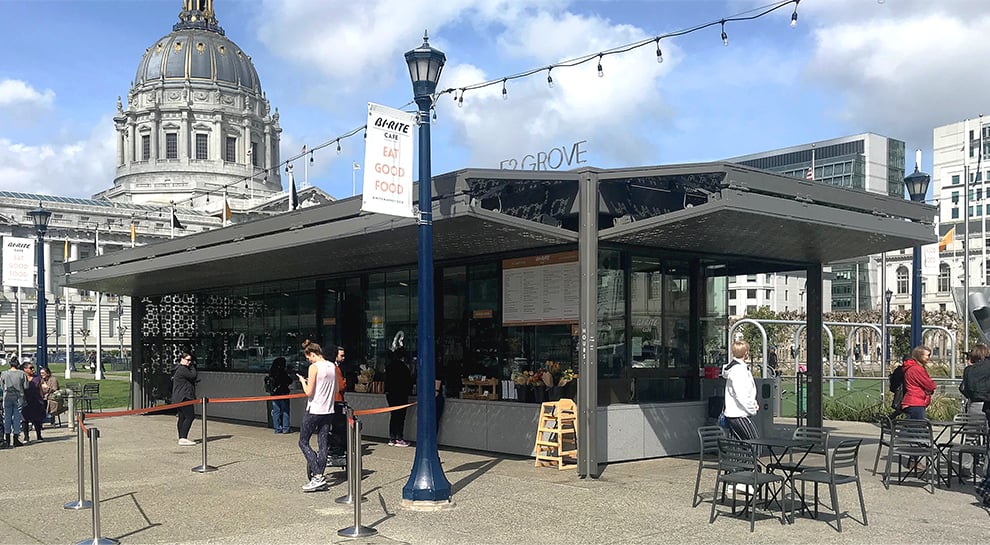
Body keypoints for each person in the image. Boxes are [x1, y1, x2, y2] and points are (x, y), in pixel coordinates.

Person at [297, 340, 338, 492]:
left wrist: (303, 381)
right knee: (323, 443)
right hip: (328, 409)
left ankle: (317, 474)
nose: (309, 360)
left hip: (314, 409)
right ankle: (319, 475)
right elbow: (336, 389)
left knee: (303, 442)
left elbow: (308, 392)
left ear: (312, 354)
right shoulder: (332, 366)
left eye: (309, 357)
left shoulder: (314, 367)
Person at [959, 344, 990, 478]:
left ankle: (966, 467)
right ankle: (986, 471)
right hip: (988, 403)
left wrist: (970, 397)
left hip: (974, 404)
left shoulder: (968, 370)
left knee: (970, 437)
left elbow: (963, 387)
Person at [722, 339, 760, 443]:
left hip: (735, 413)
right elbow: (741, 394)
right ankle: (747, 459)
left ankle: (739, 459)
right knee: (755, 443)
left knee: (739, 444)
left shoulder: (735, 369)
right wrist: (752, 408)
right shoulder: (738, 370)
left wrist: (753, 403)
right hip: (739, 413)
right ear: (746, 353)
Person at [385, 347, 413, 447]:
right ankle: (399, 437)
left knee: (393, 415)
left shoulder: (389, 366)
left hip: (391, 394)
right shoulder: (404, 368)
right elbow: (408, 382)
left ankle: (392, 438)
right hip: (401, 394)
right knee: (401, 416)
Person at [901, 345, 937, 420]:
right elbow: (930, 385)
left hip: (911, 401)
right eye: (927, 355)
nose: (929, 358)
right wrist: (930, 389)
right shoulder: (917, 369)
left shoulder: (910, 367)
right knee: (917, 427)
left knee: (911, 426)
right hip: (916, 402)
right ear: (920, 356)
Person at [171, 352, 198, 446]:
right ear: (182, 359)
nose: (189, 362)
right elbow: (193, 376)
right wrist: (192, 366)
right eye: (187, 360)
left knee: (182, 417)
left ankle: (182, 437)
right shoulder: (183, 369)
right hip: (184, 397)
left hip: (179, 396)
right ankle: (183, 437)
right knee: (190, 416)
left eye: (190, 360)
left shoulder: (178, 369)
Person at [0, 359, 28, 448]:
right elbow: (26, 386)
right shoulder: (21, 374)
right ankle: (16, 438)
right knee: (17, 418)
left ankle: (7, 438)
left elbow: (2, 385)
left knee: (7, 417)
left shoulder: (4, 374)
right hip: (18, 396)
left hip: (7, 396)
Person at [328, 345, 348, 467]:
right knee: (339, 428)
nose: (343, 357)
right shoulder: (335, 368)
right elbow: (341, 387)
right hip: (337, 401)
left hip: (328, 402)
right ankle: (337, 451)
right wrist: (345, 381)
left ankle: (332, 449)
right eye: (341, 355)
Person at [20, 363, 46, 442]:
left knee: (37, 419)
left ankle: (39, 435)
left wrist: (42, 400)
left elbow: (40, 390)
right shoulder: (22, 379)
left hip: (36, 401)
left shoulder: (37, 378)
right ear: (25, 369)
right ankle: (26, 437)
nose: (33, 370)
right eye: (30, 368)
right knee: (24, 419)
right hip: (25, 401)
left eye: (33, 368)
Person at [267, 357, 293, 434]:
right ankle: (285, 428)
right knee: (285, 411)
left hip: (274, 394)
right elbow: (289, 381)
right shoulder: (282, 372)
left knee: (276, 411)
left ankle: (277, 428)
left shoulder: (272, 372)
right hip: (283, 393)